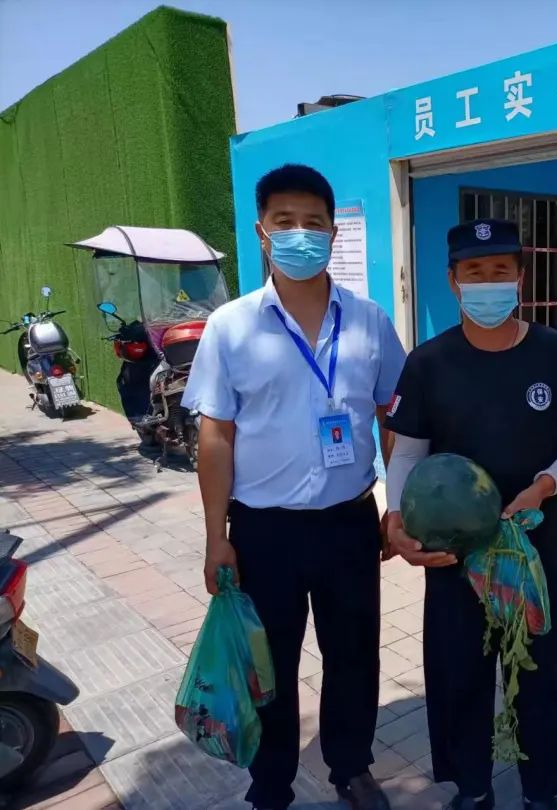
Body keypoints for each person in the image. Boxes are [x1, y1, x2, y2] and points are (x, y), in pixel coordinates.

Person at [183, 164, 405, 810]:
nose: (300, 234)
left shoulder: (369, 321)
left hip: (349, 523)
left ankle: (351, 768)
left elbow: (394, 416)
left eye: (314, 223)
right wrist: (216, 537)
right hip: (264, 531)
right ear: (262, 232)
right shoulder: (231, 327)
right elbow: (215, 438)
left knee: (354, 654)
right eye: (285, 222)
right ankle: (271, 783)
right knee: (270, 662)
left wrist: (396, 507)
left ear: (333, 232)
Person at [383, 219, 557, 810]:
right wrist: (396, 517)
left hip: (537, 544)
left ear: (520, 278)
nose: (488, 282)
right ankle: (472, 787)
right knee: (459, 671)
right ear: (453, 281)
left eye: (500, 270)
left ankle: (541, 791)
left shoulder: (553, 351)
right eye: (474, 272)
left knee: (542, 670)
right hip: (455, 549)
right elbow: (407, 452)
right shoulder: (429, 362)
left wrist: (545, 485)